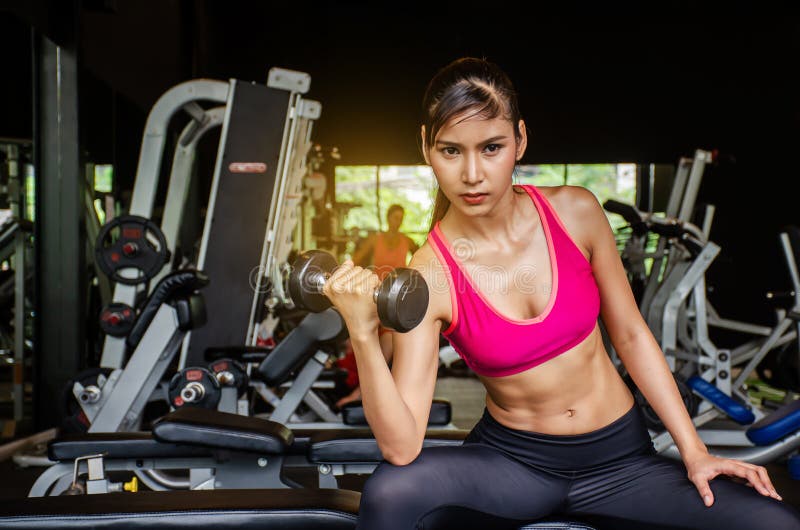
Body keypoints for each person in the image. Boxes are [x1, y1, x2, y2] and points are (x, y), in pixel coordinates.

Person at [322, 57, 800, 529]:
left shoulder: (576, 212)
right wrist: (363, 333)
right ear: (426, 147)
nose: (472, 174)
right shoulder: (429, 275)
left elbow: (632, 335)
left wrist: (695, 452)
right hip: (514, 467)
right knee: (389, 492)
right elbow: (402, 447)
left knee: (773, 522)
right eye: (451, 151)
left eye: (491, 148)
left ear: (520, 140)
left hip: (621, 462)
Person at [334, 204, 419, 409]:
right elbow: (354, 260)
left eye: (400, 218)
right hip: (372, 295)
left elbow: (425, 259)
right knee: (364, 341)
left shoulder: (407, 241)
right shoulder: (376, 239)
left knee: (387, 343)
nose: (397, 221)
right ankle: (360, 389)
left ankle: (362, 394)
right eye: (394, 217)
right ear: (388, 218)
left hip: (394, 298)